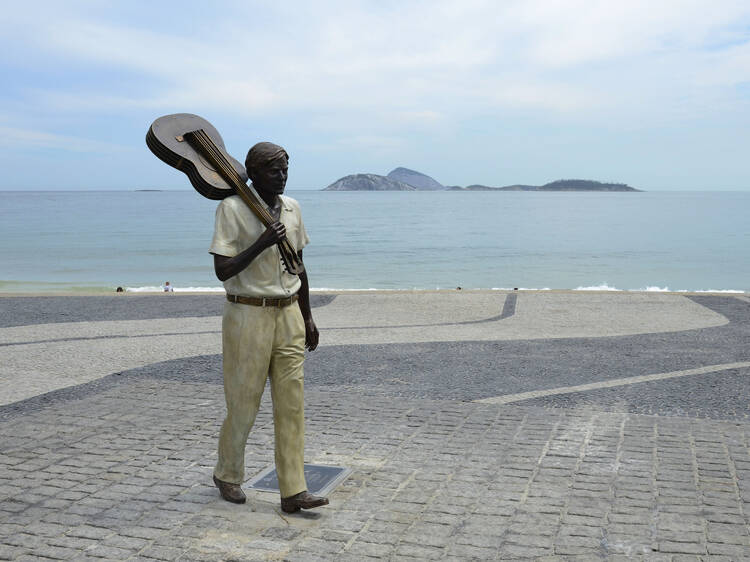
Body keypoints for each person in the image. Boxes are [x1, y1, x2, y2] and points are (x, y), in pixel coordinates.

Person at [209, 141, 327, 513]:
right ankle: (227, 473)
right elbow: (222, 270)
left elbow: (300, 266)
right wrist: (262, 243)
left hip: (288, 312)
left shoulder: (293, 208)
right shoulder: (232, 208)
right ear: (253, 172)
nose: (282, 176)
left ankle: (294, 491)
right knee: (243, 402)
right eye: (274, 170)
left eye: (285, 169)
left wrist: (307, 316)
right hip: (248, 314)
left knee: (292, 404)